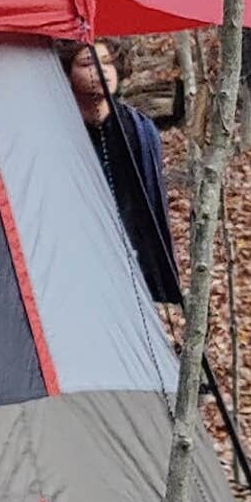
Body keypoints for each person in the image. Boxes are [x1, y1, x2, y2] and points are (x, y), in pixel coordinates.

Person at [64, 38, 184, 307]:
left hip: (131, 259)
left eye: (107, 62)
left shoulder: (138, 129)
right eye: (87, 63)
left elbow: (151, 205)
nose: (102, 70)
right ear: (67, 73)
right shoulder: (58, 129)